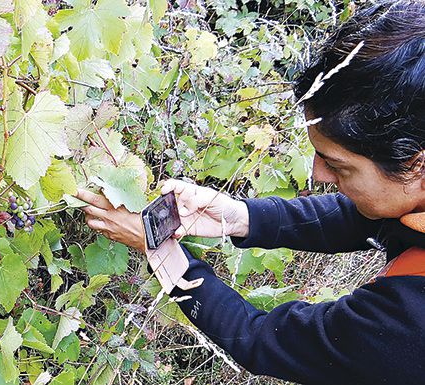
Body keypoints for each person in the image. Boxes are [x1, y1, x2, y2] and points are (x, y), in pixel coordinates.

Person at [75, 1, 425, 384]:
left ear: (416, 164)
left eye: (339, 165)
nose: (318, 174)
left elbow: (261, 339)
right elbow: (363, 218)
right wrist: (239, 216)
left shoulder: (408, 325)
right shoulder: (408, 195)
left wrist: (160, 250)